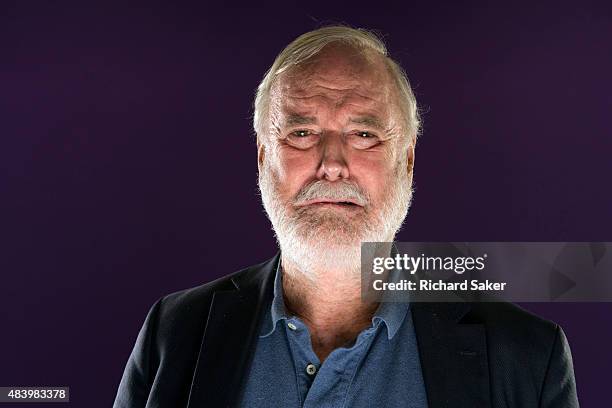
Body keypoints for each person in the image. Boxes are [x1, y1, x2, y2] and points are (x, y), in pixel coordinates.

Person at [113, 26, 579, 407]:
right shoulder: (174, 333)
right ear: (262, 159)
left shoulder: (527, 359)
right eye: (300, 132)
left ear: (407, 161)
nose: (332, 163)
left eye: (363, 134)